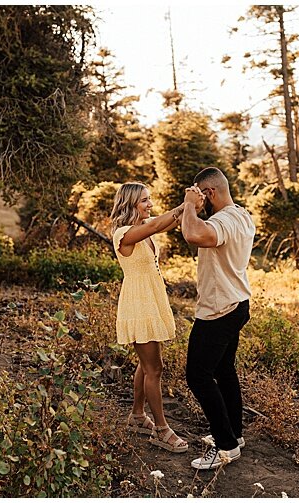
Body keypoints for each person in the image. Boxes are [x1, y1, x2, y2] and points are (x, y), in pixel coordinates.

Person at [179, 167, 255, 470]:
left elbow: (193, 234)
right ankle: (234, 436)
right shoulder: (241, 214)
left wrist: (188, 205)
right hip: (237, 303)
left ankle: (225, 446)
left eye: (202, 197)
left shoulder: (222, 221)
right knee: (223, 370)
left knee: (197, 375)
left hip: (219, 309)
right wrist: (188, 206)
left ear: (209, 193)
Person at [109, 182, 190, 453]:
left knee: (146, 364)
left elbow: (164, 222)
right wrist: (186, 203)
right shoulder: (124, 233)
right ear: (130, 203)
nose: (150, 204)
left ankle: (136, 415)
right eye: (144, 200)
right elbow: (157, 225)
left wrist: (188, 206)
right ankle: (161, 429)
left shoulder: (144, 227)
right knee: (155, 369)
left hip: (150, 301)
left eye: (150, 199)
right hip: (139, 305)